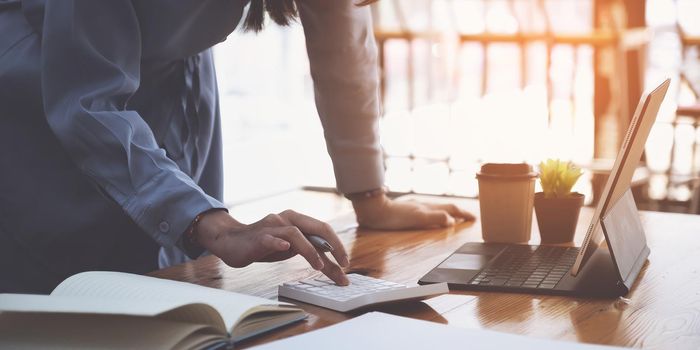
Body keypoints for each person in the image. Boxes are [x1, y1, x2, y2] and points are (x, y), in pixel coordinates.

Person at [0, 0, 474, 293]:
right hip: (46, 102)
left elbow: (339, 29)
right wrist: (212, 224)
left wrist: (370, 196)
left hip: (176, 98)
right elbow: (85, 100)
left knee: (175, 301)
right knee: (69, 301)